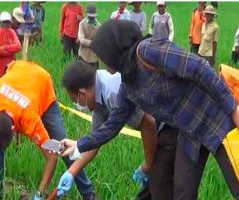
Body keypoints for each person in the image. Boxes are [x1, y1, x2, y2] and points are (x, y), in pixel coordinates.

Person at [57, 20, 239, 199]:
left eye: (103, 55)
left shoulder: (148, 50)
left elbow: (199, 68)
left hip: (216, 119)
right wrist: (79, 144)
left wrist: (233, 109)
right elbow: (112, 125)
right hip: (188, 132)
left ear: (113, 49)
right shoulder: (127, 86)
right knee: (183, 194)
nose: (102, 62)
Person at [0, 60, 97, 200]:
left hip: (42, 85)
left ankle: (88, 192)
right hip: (18, 70)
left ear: (13, 129)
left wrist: (39, 194)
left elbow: (52, 157)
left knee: (62, 147)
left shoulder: (29, 121)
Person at [61, 60, 179, 200]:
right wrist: (71, 172)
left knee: (159, 184)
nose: (76, 105)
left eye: (74, 100)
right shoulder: (97, 95)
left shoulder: (112, 92)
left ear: (82, 93)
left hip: (170, 126)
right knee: (150, 191)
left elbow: (149, 123)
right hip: (159, 131)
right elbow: (95, 140)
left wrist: (148, 164)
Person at [0, 11, 21, 82]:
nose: (6, 24)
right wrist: (11, 52)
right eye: (4, 22)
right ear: (0, 22)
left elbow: (18, 46)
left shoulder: (12, 32)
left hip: (11, 67)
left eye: (8, 22)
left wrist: (5, 47)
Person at [77, 4, 101, 69]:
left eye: (93, 17)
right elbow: (82, 40)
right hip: (83, 55)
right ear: (86, 14)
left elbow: (100, 41)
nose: (91, 18)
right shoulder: (82, 24)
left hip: (94, 57)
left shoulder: (99, 26)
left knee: (93, 77)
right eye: (90, 17)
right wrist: (94, 43)